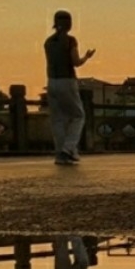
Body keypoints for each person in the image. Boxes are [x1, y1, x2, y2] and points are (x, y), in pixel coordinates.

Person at [44, 10, 96, 165]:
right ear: (70, 24)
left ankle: (61, 153)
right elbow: (75, 62)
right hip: (67, 81)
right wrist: (87, 57)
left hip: (51, 82)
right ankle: (69, 148)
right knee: (78, 116)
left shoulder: (48, 42)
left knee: (58, 119)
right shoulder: (70, 40)